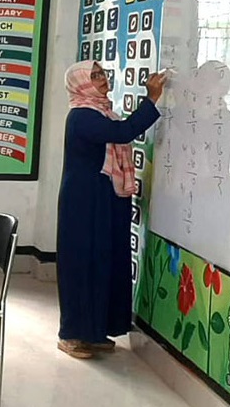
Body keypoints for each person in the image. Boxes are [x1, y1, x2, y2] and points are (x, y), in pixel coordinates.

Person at [56, 60, 166, 359]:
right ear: (81, 84)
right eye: (93, 76)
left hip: (104, 196)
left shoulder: (102, 111)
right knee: (83, 264)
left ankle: (95, 331)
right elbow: (123, 132)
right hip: (83, 200)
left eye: (101, 74)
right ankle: (71, 333)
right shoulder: (82, 115)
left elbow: (118, 131)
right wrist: (152, 98)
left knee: (104, 259)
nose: (102, 79)